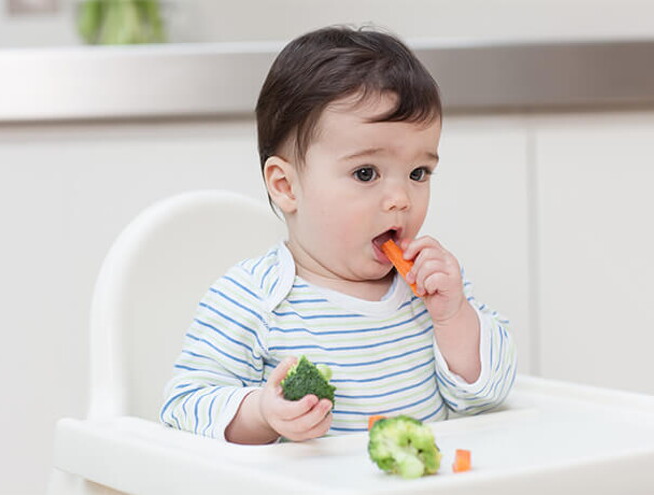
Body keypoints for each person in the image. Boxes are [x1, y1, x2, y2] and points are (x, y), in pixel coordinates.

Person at [161, 25, 517, 444]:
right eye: (366, 173)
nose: (401, 198)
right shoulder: (252, 298)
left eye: (418, 173)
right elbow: (184, 405)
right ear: (286, 186)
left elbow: (489, 395)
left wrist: (453, 317)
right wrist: (261, 412)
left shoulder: (431, 291)